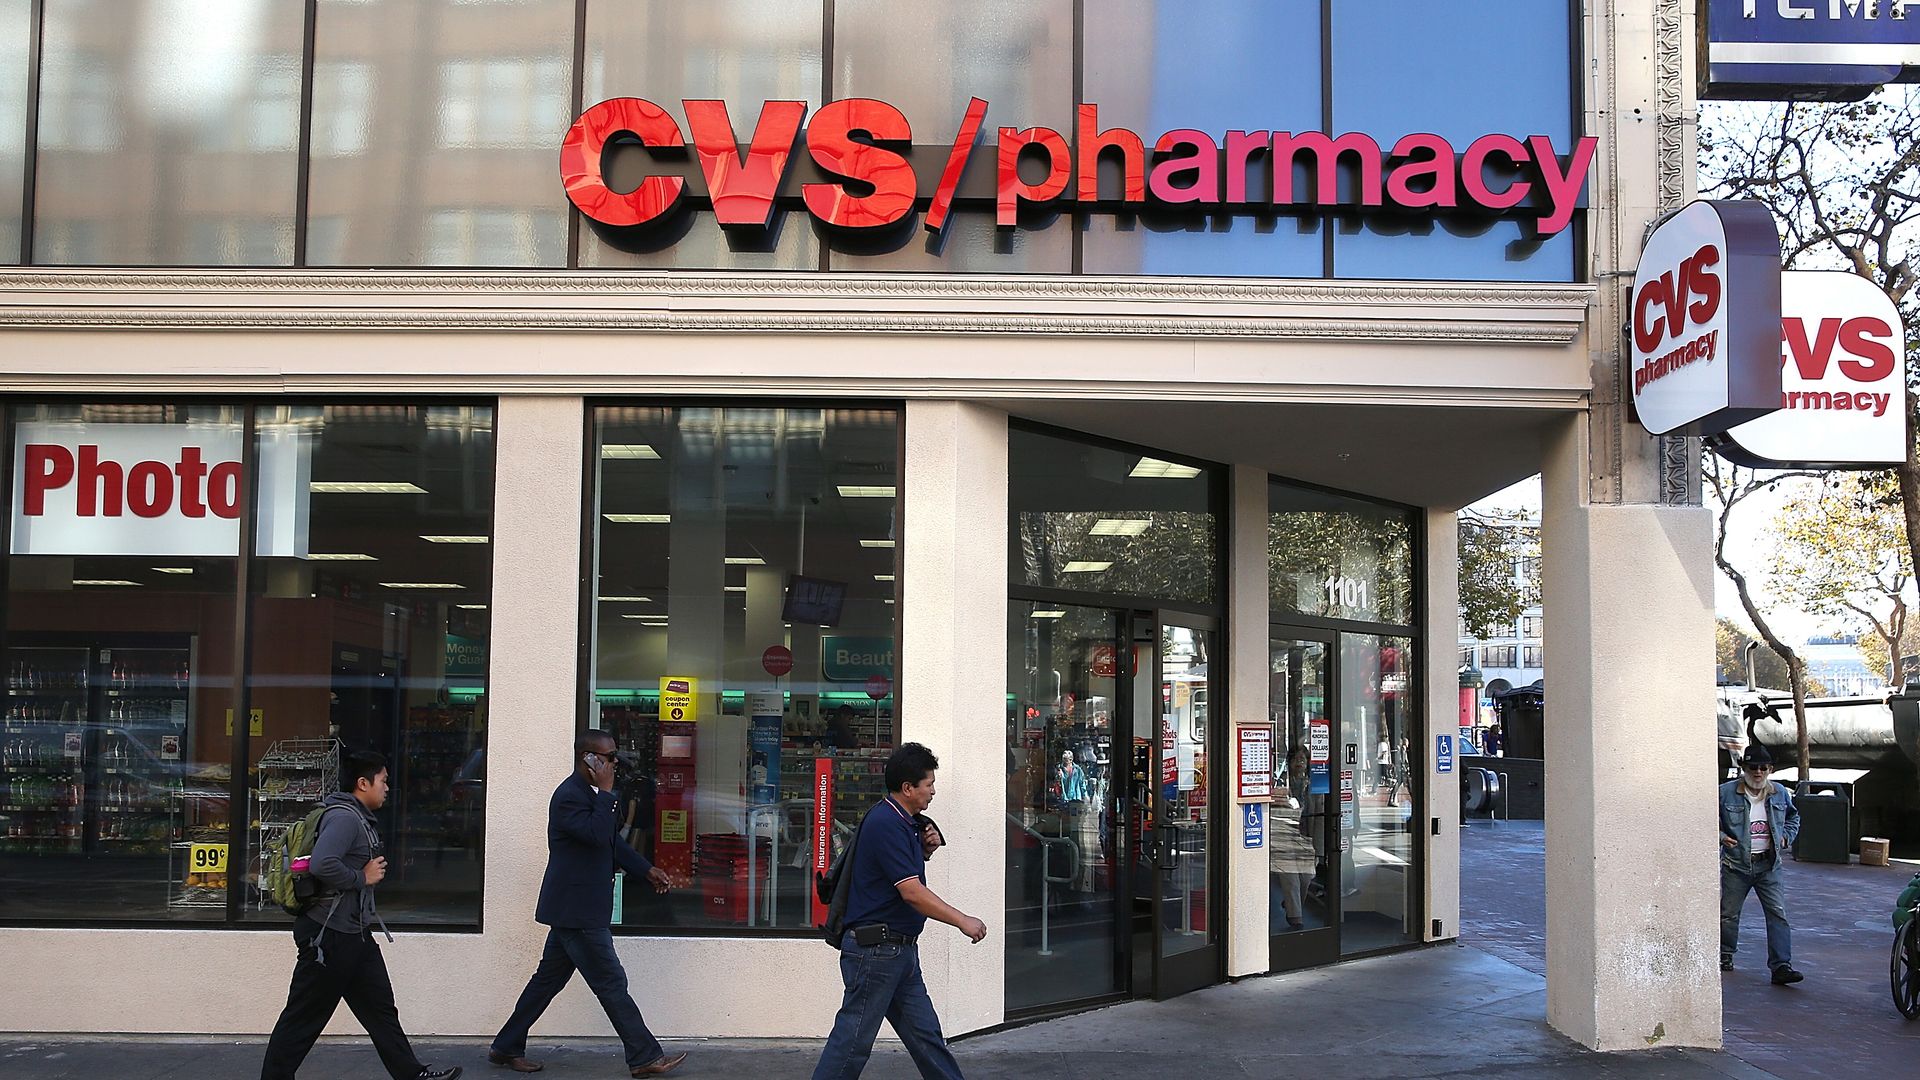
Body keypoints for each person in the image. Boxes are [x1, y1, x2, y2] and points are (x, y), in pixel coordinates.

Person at [489, 731, 685, 1076]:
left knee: (546, 982)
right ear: (589, 759)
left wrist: (646, 870)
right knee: (611, 982)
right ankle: (644, 1057)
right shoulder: (569, 796)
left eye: (614, 757)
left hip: (574, 909)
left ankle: (505, 1046)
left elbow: (611, 843)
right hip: (578, 910)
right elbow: (596, 835)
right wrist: (607, 793)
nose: (614, 764)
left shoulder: (590, 795)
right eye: (608, 758)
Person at [260, 750, 460, 1080]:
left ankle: (412, 1075)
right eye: (383, 780)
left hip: (354, 934)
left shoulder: (355, 816)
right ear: (363, 783)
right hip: (329, 936)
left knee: (380, 1011)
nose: (387, 787)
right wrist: (361, 877)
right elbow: (322, 863)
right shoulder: (345, 818)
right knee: (303, 1017)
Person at [813, 742, 987, 1080]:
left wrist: (925, 851)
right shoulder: (887, 823)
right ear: (908, 788)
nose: (933, 791)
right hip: (877, 952)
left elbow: (893, 877)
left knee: (927, 1039)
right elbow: (911, 893)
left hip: (897, 952)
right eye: (929, 784)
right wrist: (962, 920)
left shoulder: (904, 822)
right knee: (852, 1043)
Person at [1720, 742, 1804, 984]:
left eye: (1763, 768)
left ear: (1770, 770)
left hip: (1769, 865)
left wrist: (1786, 837)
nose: (1758, 772)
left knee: (1778, 914)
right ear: (1743, 768)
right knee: (1728, 914)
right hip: (1736, 865)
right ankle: (1725, 954)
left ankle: (1781, 966)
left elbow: (1793, 816)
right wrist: (1721, 837)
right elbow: (1707, 820)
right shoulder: (1725, 793)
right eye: (1753, 767)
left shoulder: (1780, 793)